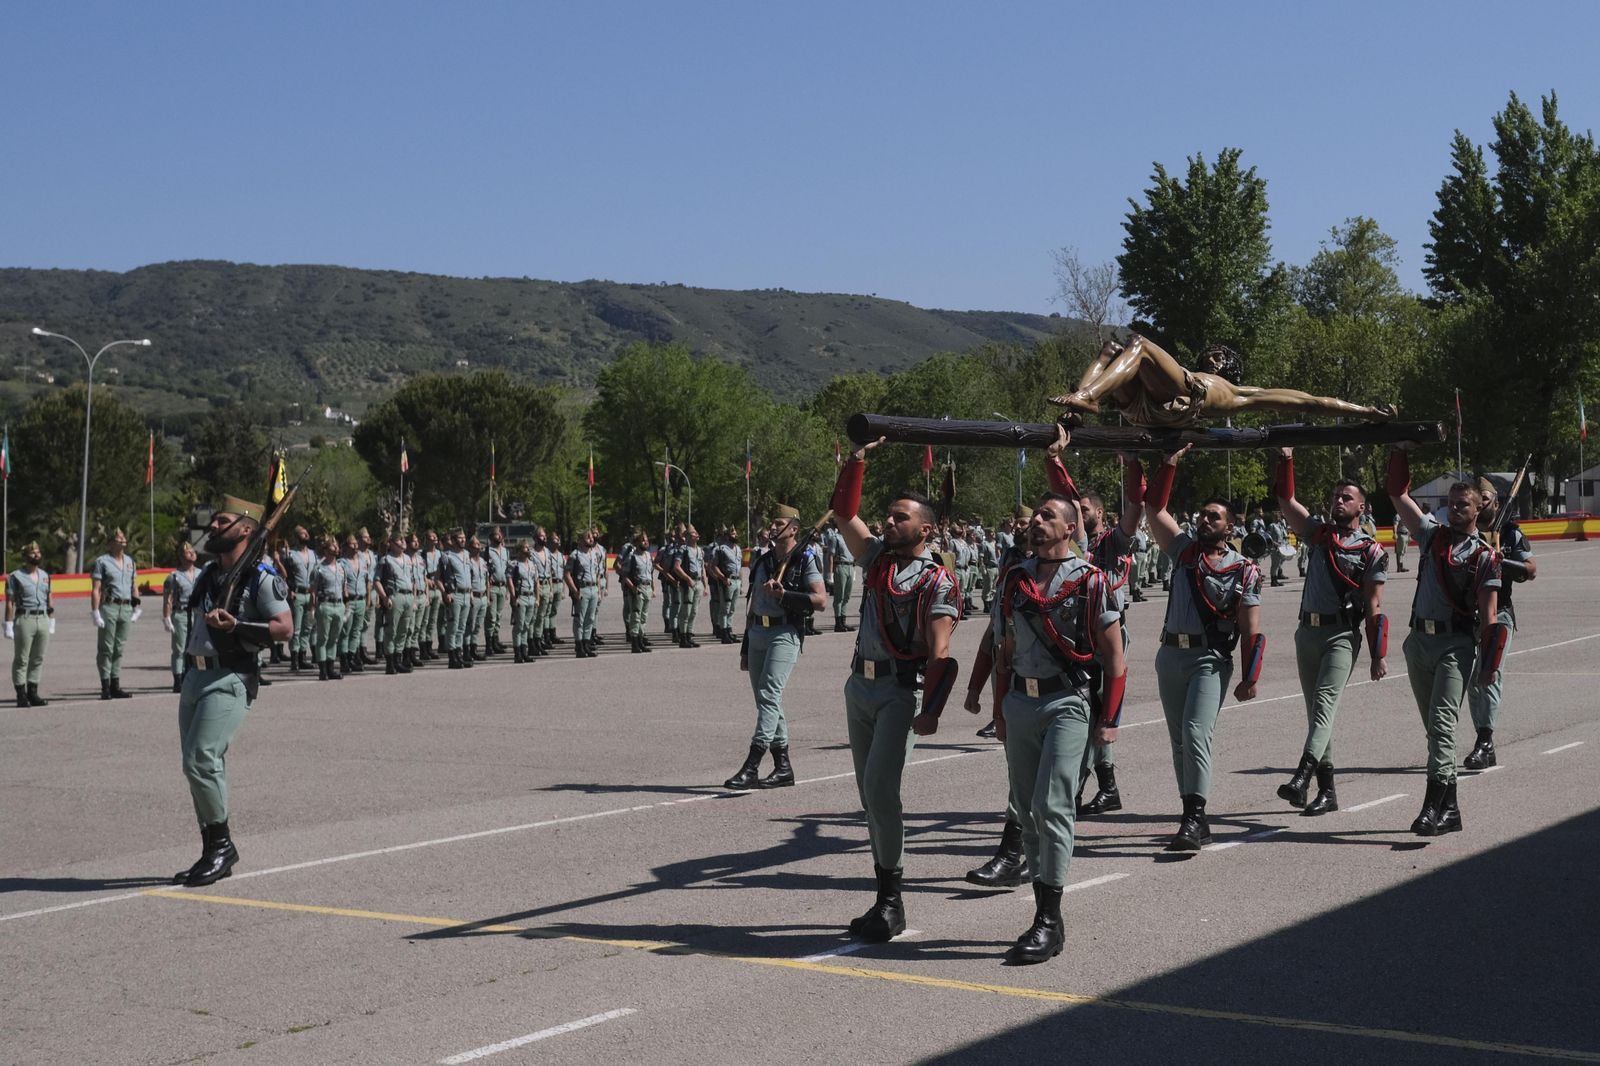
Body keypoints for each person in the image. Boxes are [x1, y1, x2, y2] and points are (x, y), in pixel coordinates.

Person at [827, 441, 959, 943]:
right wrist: (856, 461)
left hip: (899, 692)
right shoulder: (877, 559)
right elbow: (844, 513)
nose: (887, 521)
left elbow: (940, 652)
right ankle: (884, 896)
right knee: (870, 796)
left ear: (925, 530)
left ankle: (891, 902)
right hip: (859, 686)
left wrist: (932, 711)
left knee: (882, 792)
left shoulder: (937, 580)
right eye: (887, 514)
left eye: (900, 517)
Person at [992, 494, 1126, 963]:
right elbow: (1004, 650)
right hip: (1020, 701)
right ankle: (1043, 910)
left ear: (1070, 528)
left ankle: (1048, 919)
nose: (1036, 520)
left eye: (1048, 515)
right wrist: (999, 710)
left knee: (1052, 806)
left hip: (1067, 701)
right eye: (1035, 514)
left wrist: (1109, 720)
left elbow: (1115, 657)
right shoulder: (1015, 579)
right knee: (1027, 810)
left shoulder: (1091, 581)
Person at [1146, 444, 1264, 850]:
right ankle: (1194, 815)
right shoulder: (1183, 551)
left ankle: (1194, 817)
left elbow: (1251, 630)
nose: (1205, 519)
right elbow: (1154, 510)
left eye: (1214, 516)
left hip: (1209, 660)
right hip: (1170, 656)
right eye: (1202, 514)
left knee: (1196, 733)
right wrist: (1169, 463)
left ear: (1229, 528)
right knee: (1179, 740)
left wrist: (1250, 678)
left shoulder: (1243, 570)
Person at [171, 495, 292, 887]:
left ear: (245, 529)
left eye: (222, 521)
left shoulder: (260, 577)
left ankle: (222, 847)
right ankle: (212, 849)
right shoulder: (210, 573)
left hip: (230, 677)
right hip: (195, 677)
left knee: (200, 759)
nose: (214, 526)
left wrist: (237, 625)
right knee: (200, 766)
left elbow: (284, 628)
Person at [1386, 448, 1501, 836]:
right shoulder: (1431, 536)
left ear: (1478, 509)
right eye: (1450, 503)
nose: (1453, 509)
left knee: (1441, 725)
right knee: (1436, 731)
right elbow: (1397, 494)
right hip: (1419, 643)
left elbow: (1489, 618)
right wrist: (1400, 449)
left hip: (1455, 646)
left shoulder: (1485, 557)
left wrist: (1489, 667)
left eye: (1462, 504)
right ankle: (1450, 810)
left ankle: (1431, 806)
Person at [1272, 449, 1389, 815]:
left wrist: (1378, 656)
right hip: (1307, 633)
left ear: (1362, 507)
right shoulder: (1318, 534)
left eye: (1346, 497)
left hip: (1341, 637)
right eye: (1336, 496)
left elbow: (1374, 606)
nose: (1338, 501)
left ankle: (1302, 777)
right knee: (1316, 715)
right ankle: (1328, 791)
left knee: (1323, 707)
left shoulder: (1371, 551)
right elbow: (1286, 500)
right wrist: (1287, 460)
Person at [1041, 430, 1145, 818]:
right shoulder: (1073, 546)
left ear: (1099, 513)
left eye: (1085, 509)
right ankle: (1105, 785)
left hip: (1109, 631)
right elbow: (1064, 500)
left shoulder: (1116, 541)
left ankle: (1090, 784)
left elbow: (1137, 506)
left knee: (1098, 709)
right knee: (1086, 707)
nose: (1079, 513)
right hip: (1079, 633)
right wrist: (1054, 461)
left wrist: (1133, 464)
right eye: (1077, 509)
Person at [1051, 335, 1397, 426]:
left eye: (1220, 357)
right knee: (1112, 348)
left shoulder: (1241, 392)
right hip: (1142, 404)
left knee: (1138, 344)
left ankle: (1088, 397)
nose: (1213, 358)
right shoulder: (1181, 374)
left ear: (1231, 367)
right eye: (1211, 354)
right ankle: (1080, 407)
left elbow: (1310, 402)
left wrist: (1365, 411)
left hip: (1180, 403)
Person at [725, 505, 826, 791]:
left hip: (784, 632)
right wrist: (745, 647)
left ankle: (752, 765)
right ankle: (783, 767)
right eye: (772, 522)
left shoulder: (805, 559)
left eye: (779, 523)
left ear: (793, 529)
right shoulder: (763, 560)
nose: (772, 527)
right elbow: (753, 603)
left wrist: (786, 595)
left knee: (770, 694)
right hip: (757, 632)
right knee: (766, 700)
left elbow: (820, 600)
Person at [1463, 476, 1537, 770]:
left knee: (1490, 673)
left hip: (1501, 612)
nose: (1481, 504)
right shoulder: (1463, 532)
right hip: (1468, 615)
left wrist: (1502, 561)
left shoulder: (1510, 532)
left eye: (1485, 498)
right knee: (1472, 681)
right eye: (1477, 498)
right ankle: (1484, 740)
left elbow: (1531, 570)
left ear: (1495, 501)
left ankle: (1484, 740)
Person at [90, 527, 140, 700]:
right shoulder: (102, 562)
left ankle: (115, 684)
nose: (122, 540)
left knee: (119, 647)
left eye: (123, 537)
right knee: (106, 648)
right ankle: (105, 686)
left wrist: (136, 606)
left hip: (126, 607)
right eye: (118, 538)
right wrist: (95, 612)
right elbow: (96, 589)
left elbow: (134, 585)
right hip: (109, 606)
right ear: (111, 543)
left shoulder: (130, 561)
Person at [6, 540, 54, 707]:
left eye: (38, 552)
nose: (36, 555)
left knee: (38, 657)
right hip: (25, 618)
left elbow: (49, 597)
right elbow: (10, 602)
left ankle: (32, 692)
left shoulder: (45, 576)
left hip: (42, 618)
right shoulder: (15, 576)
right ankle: (21, 694)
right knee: (22, 659)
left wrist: (52, 619)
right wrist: (8, 624)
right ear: (25, 556)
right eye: (33, 553)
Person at [374, 532, 417, 675]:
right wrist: (384, 597)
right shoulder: (385, 560)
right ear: (391, 543)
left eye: (404, 539)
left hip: (408, 596)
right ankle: (390, 663)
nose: (403, 542)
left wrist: (413, 598)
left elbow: (413, 580)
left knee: (404, 630)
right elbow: (376, 581)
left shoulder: (408, 559)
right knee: (391, 630)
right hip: (395, 596)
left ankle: (399, 660)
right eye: (400, 540)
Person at [277, 526, 317, 672]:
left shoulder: (313, 554)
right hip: (297, 594)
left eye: (306, 533)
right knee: (297, 628)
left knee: (308, 627)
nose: (306, 535)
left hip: (310, 593)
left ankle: (302, 657)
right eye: (302, 533)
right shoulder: (290, 555)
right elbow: (283, 575)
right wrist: (288, 590)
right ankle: (294, 660)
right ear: (296, 537)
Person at [163, 543, 202, 692]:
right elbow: (168, 598)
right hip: (181, 613)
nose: (192, 554)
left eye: (193, 551)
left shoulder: (201, 573)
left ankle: (192, 675)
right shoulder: (174, 576)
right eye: (188, 552)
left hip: (197, 614)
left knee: (196, 647)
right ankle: (178, 680)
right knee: (179, 648)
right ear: (181, 556)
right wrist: (167, 617)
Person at [308, 536, 347, 681]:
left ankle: (331, 669)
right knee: (323, 638)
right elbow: (313, 590)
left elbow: (344, 589)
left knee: (334, 638)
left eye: (336, 545)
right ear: (325, 549)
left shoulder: (341, 568)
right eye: (332, 545)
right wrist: (311, 609)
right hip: (325, 605)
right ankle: (323, 670)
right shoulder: (319, 568)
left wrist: (347, 606)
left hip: (339, 605)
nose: (336, 548)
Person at [435, 529, 474, 669]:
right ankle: (452, 657)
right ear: (453, 540)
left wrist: (471, 593)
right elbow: (437, 578)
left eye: (464, 537)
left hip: (466, 594)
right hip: (455, 594)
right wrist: (445, 593)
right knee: (453, 626)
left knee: (462, 627)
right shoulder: (447, 556)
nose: (463, 540)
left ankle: (459, 654)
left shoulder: (467, 554)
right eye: (460, 538)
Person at [338, 534, 372, 675]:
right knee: (346, 631)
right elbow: (340, 583)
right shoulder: (342, 563)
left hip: (361, 599)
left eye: (356, 543)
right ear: (346, 546)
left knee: (357, 631)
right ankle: (344, 660)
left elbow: (367, 580)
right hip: (349, 600)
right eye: (352, 544)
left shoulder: (363, 561)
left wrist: (368, 598)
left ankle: (352, 657)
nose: (355, 546)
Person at [565, 528, 602, 657]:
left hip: (593, 589)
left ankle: (587, 644)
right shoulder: (575, 555)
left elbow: (597, 573)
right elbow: (567, 574)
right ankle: (579, 646)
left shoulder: (594, 554)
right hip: (582, 589)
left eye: (591, 537)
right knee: (579, 620)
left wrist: (599, 590)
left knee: (590, 619)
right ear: (580, 540)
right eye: (588, 537)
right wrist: (574, 590)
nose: (591, 539)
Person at [672, 525, 707, 648]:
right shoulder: (683, 549)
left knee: (694, 611)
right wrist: (687, 578)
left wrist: (705, 584)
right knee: (686, 611)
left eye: (696, 532)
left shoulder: (700, 550)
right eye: (693, 533)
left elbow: (702, 568)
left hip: (698, 582)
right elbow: (676, 567)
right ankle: (682, 638)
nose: (696, 534)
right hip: (688, 583)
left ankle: (689, 635)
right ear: (687, 536)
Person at [508, 539, 543, 661]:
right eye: (525, 547)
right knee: (519, 626)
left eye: (528, 547)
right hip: (521, 597)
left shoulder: (533, 565)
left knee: (526, 625)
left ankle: (524, 651)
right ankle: (517, 653)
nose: (528, 550)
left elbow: (536, 582)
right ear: (519, 550)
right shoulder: (514, 564)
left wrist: (537, 598)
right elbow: (510, 581)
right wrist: (514, 597)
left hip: (530, 597)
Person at [822, 519, 857, 633]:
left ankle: (843, 621)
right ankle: (838, 623)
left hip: (850, 566)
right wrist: (830, 574)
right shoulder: (835, 537)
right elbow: (830, 556)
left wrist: (854, 569)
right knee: (839, 596)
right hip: (840, 566)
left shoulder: (850, 538)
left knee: (847, 596)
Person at [708, 527, 742, 644]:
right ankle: (723, 633)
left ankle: (729, 631)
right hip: (727, 581)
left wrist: (741, 582)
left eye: (736, 533)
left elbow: (739, 566)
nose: (736, 535)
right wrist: (722, 578)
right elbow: (713, 566)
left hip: (736, 581)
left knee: (732, 609)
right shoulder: (721, 549)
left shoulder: (738, 548)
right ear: (727, 536)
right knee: (725, 609)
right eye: (733, 534)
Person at [484, 526, 510, 656]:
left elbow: (508, 570)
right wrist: (487, 591)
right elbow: (485, 571)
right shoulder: (488, 551)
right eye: (495, 534)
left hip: (502, 586)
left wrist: (508, 590)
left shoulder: (505, 551)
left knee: (498, 616)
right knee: (491, 617)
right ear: (491, 537)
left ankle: (495, 640)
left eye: (500, 534)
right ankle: (489, 645)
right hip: (492, 587)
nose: (498, 536)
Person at [420, 529, 444, 660]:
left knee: (433, 620)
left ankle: (429, 646)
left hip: (437, 589)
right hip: (427, 589)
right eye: (431, 537)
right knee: (425, 620)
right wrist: (427, 580)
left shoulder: (440, 554)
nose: (434, 539)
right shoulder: (422, 554)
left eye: (435, 536)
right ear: (426, 540)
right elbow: (420, 572)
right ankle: (422, 647)